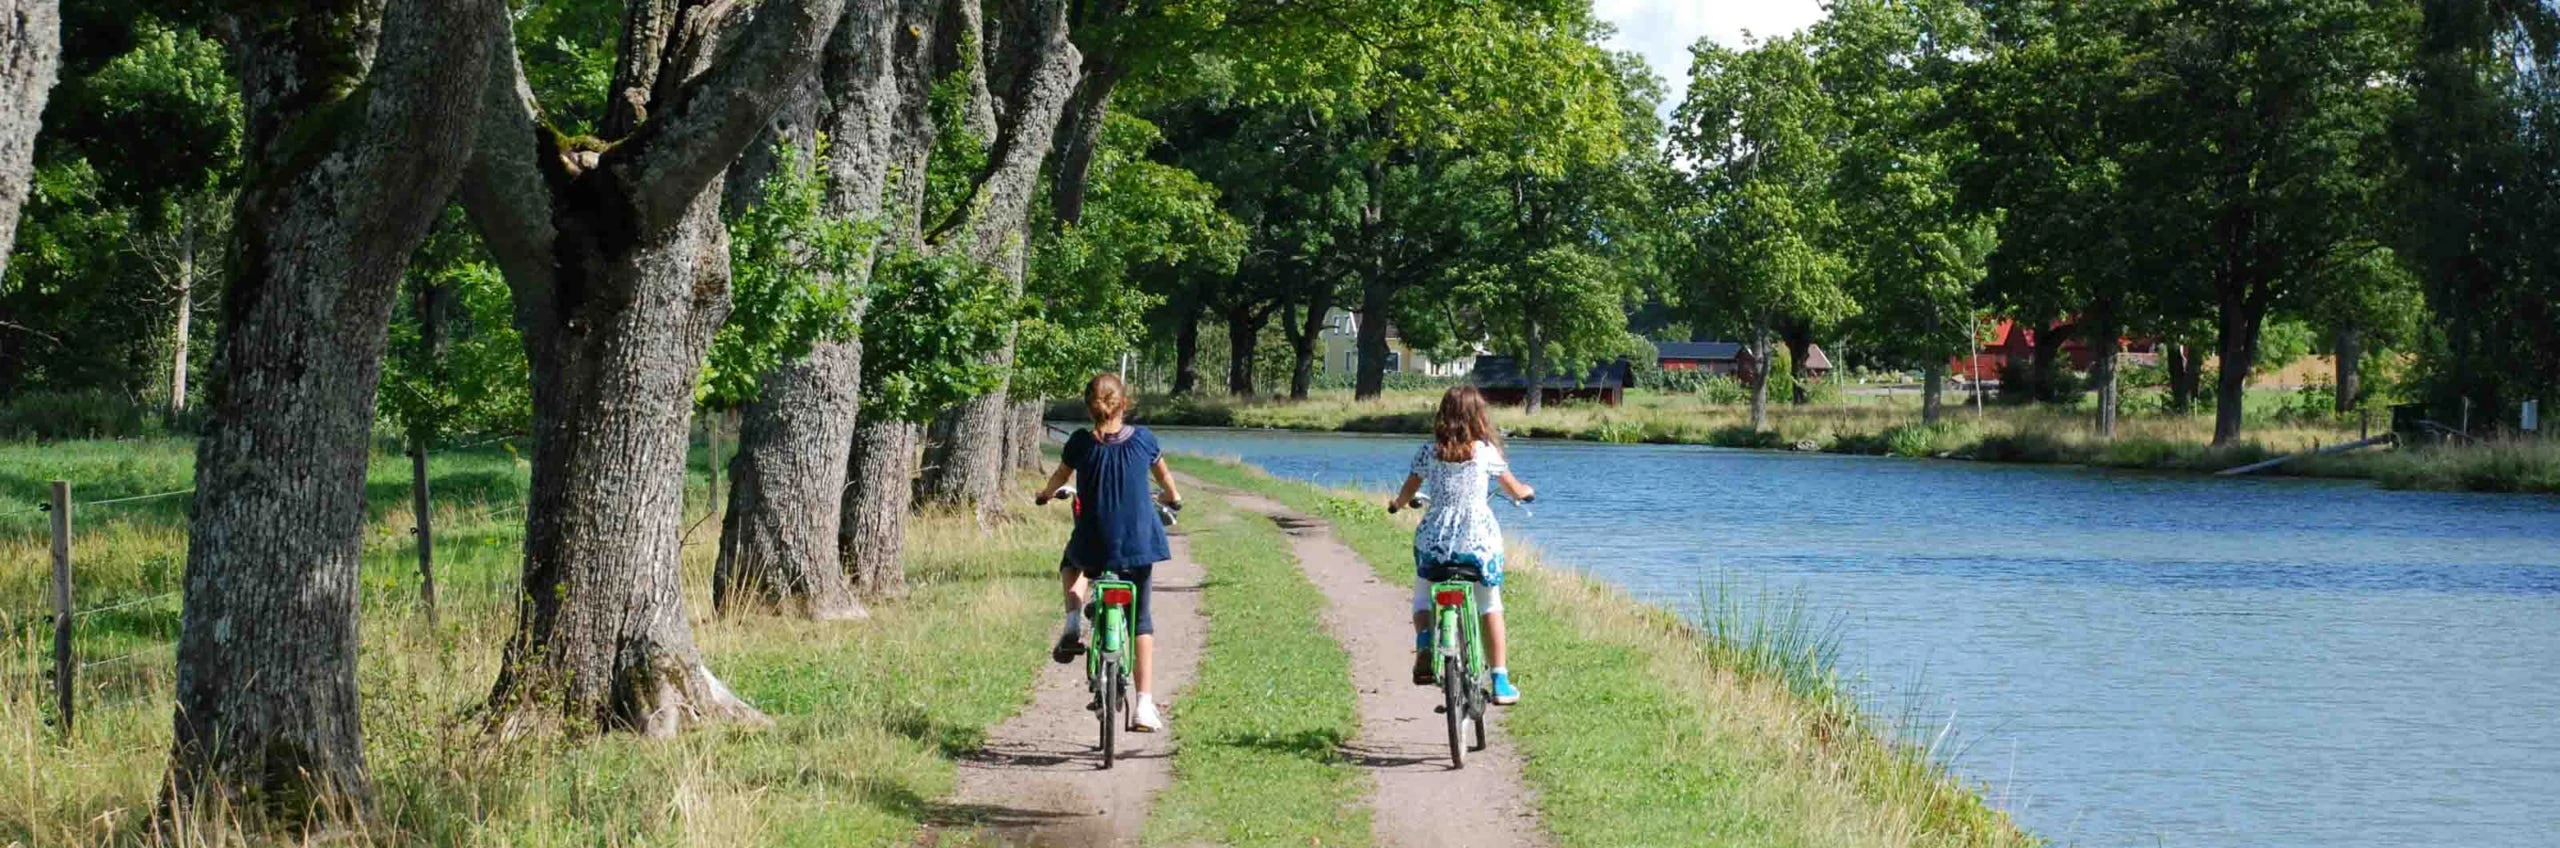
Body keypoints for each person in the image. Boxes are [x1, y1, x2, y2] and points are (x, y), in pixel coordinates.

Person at [1036, 373, 1183, 732]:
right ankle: (1144, 705)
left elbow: (1059, 476)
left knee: (1073, 564)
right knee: (1142, 620)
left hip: (1094, 542)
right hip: (1138, 543)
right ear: (1125, 403)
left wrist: (1044, 494)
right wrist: (1173, 499)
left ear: (1089, 407)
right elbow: (1165, 481)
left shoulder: (1081, 444)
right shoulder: (1145, 441)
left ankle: (1073, 617)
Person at [1387, 385, 1534, 705]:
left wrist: (1398, 504)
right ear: (1479, 417)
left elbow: (1408, 491)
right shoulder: (1485, 452)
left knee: (1423, 596)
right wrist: (1525, 491)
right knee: (1490, 603)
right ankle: (1500, 679)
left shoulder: (1428, 451)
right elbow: (1513, 488)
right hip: (1477, 543)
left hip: (1435, 542)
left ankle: (1425, 641)